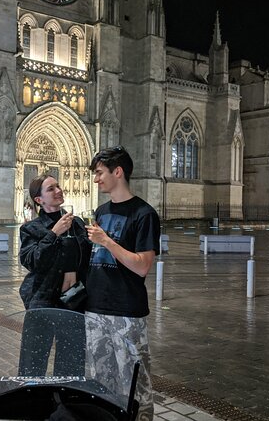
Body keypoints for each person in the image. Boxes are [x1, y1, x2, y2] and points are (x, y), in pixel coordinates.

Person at [85, 146, 160, 420]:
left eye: (100, 173)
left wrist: (106, 241)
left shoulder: (144, 214)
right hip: (95, 310)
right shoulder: (101, 210)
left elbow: (142, 266)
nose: (96, 179)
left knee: (136, 387)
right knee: (101, 385)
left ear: (118, 172)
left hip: (127, 312)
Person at [17, 174, 91, 377]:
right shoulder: (31, 228)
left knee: (72, 362)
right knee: (33, 362)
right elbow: (31, 261)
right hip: (43, 301)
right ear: (39, 200)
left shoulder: (77, 223)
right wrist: (53, 234)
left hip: (74, 301)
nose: (58, 190)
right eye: (51, 189)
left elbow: (86, 260)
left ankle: (66, 404)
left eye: (58, 186)